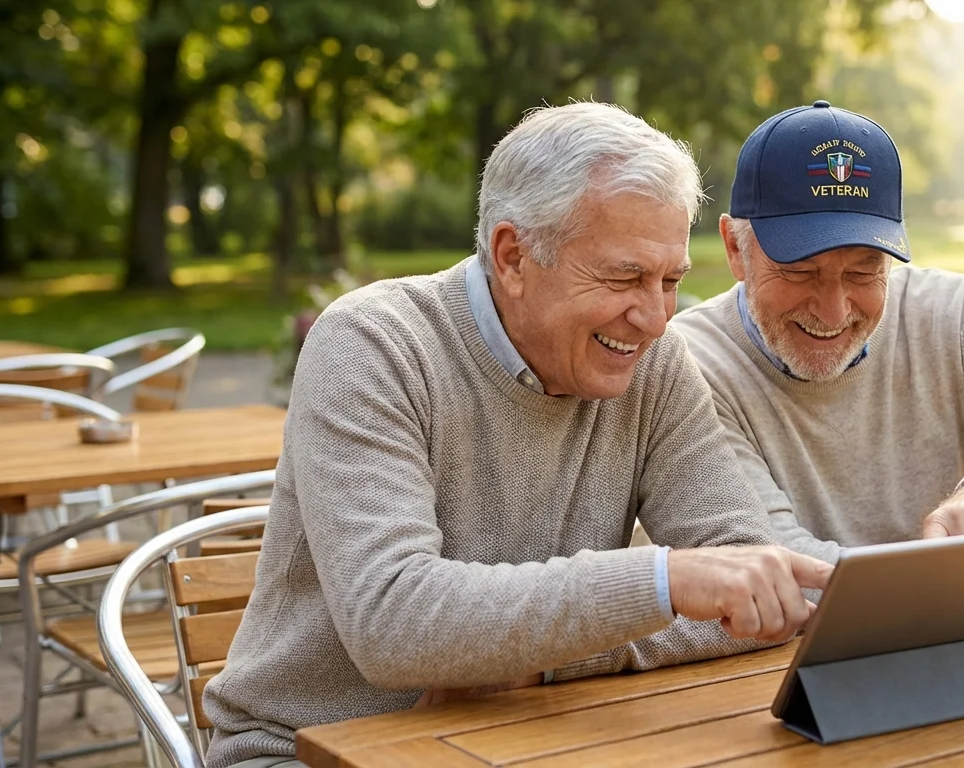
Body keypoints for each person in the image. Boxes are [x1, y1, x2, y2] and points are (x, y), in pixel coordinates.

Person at [203, 103, 832, 768]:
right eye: (624, 276)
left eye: (671, 280)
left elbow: (759, 590)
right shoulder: (373, 345)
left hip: (520, 734)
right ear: (512, 256)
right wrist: (661, 583)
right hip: (303, 751)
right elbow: (391, 622)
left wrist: (551, 659)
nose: (653, 317)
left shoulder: (655, 365)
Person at [672, 101, 964, 644]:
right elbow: (779, 569)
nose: (834, 308)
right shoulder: (691, 363)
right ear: (735, 247)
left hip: (959, 665)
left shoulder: (955, 312)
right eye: (800, 271)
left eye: (864, 270)